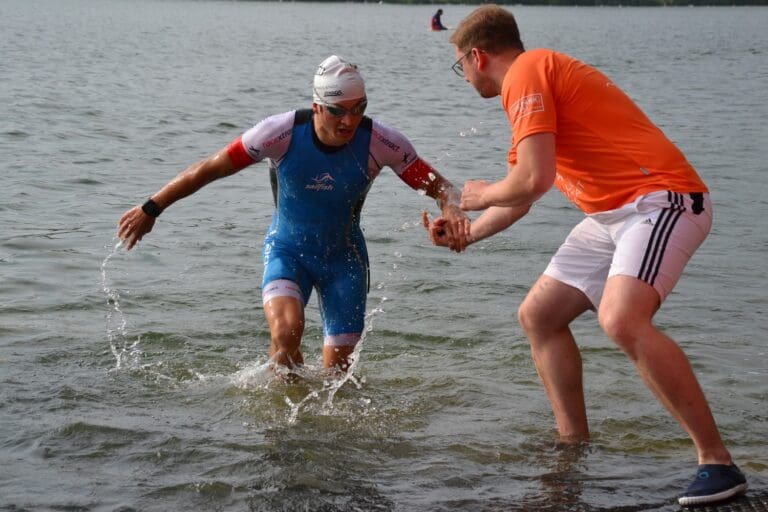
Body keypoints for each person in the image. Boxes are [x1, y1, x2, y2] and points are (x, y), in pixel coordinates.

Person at [423, 5, 747, 507]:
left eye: (459, 67)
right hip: (612, 216)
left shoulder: (528, 73)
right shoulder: (529, 88)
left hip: (662, 201)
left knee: (621, 319)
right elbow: (524, 197)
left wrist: (477, 196)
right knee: (540, 315)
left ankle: (717, 462)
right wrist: (467, 235)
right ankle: (573, 444)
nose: (462, 78)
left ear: (477, 56)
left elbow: (530, 181)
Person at [118, 55, 470, 375]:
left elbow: (441, 187)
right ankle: (281, 428)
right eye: (337, 110)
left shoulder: (381, 142)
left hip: (344, 260)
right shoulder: (280, 133)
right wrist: (152, 208)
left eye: (359, 107)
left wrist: (451, 210)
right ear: (317, 106)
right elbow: (210, 168)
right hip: (288, 250)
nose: (350, 120)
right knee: (286, 335)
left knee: (338, 378)